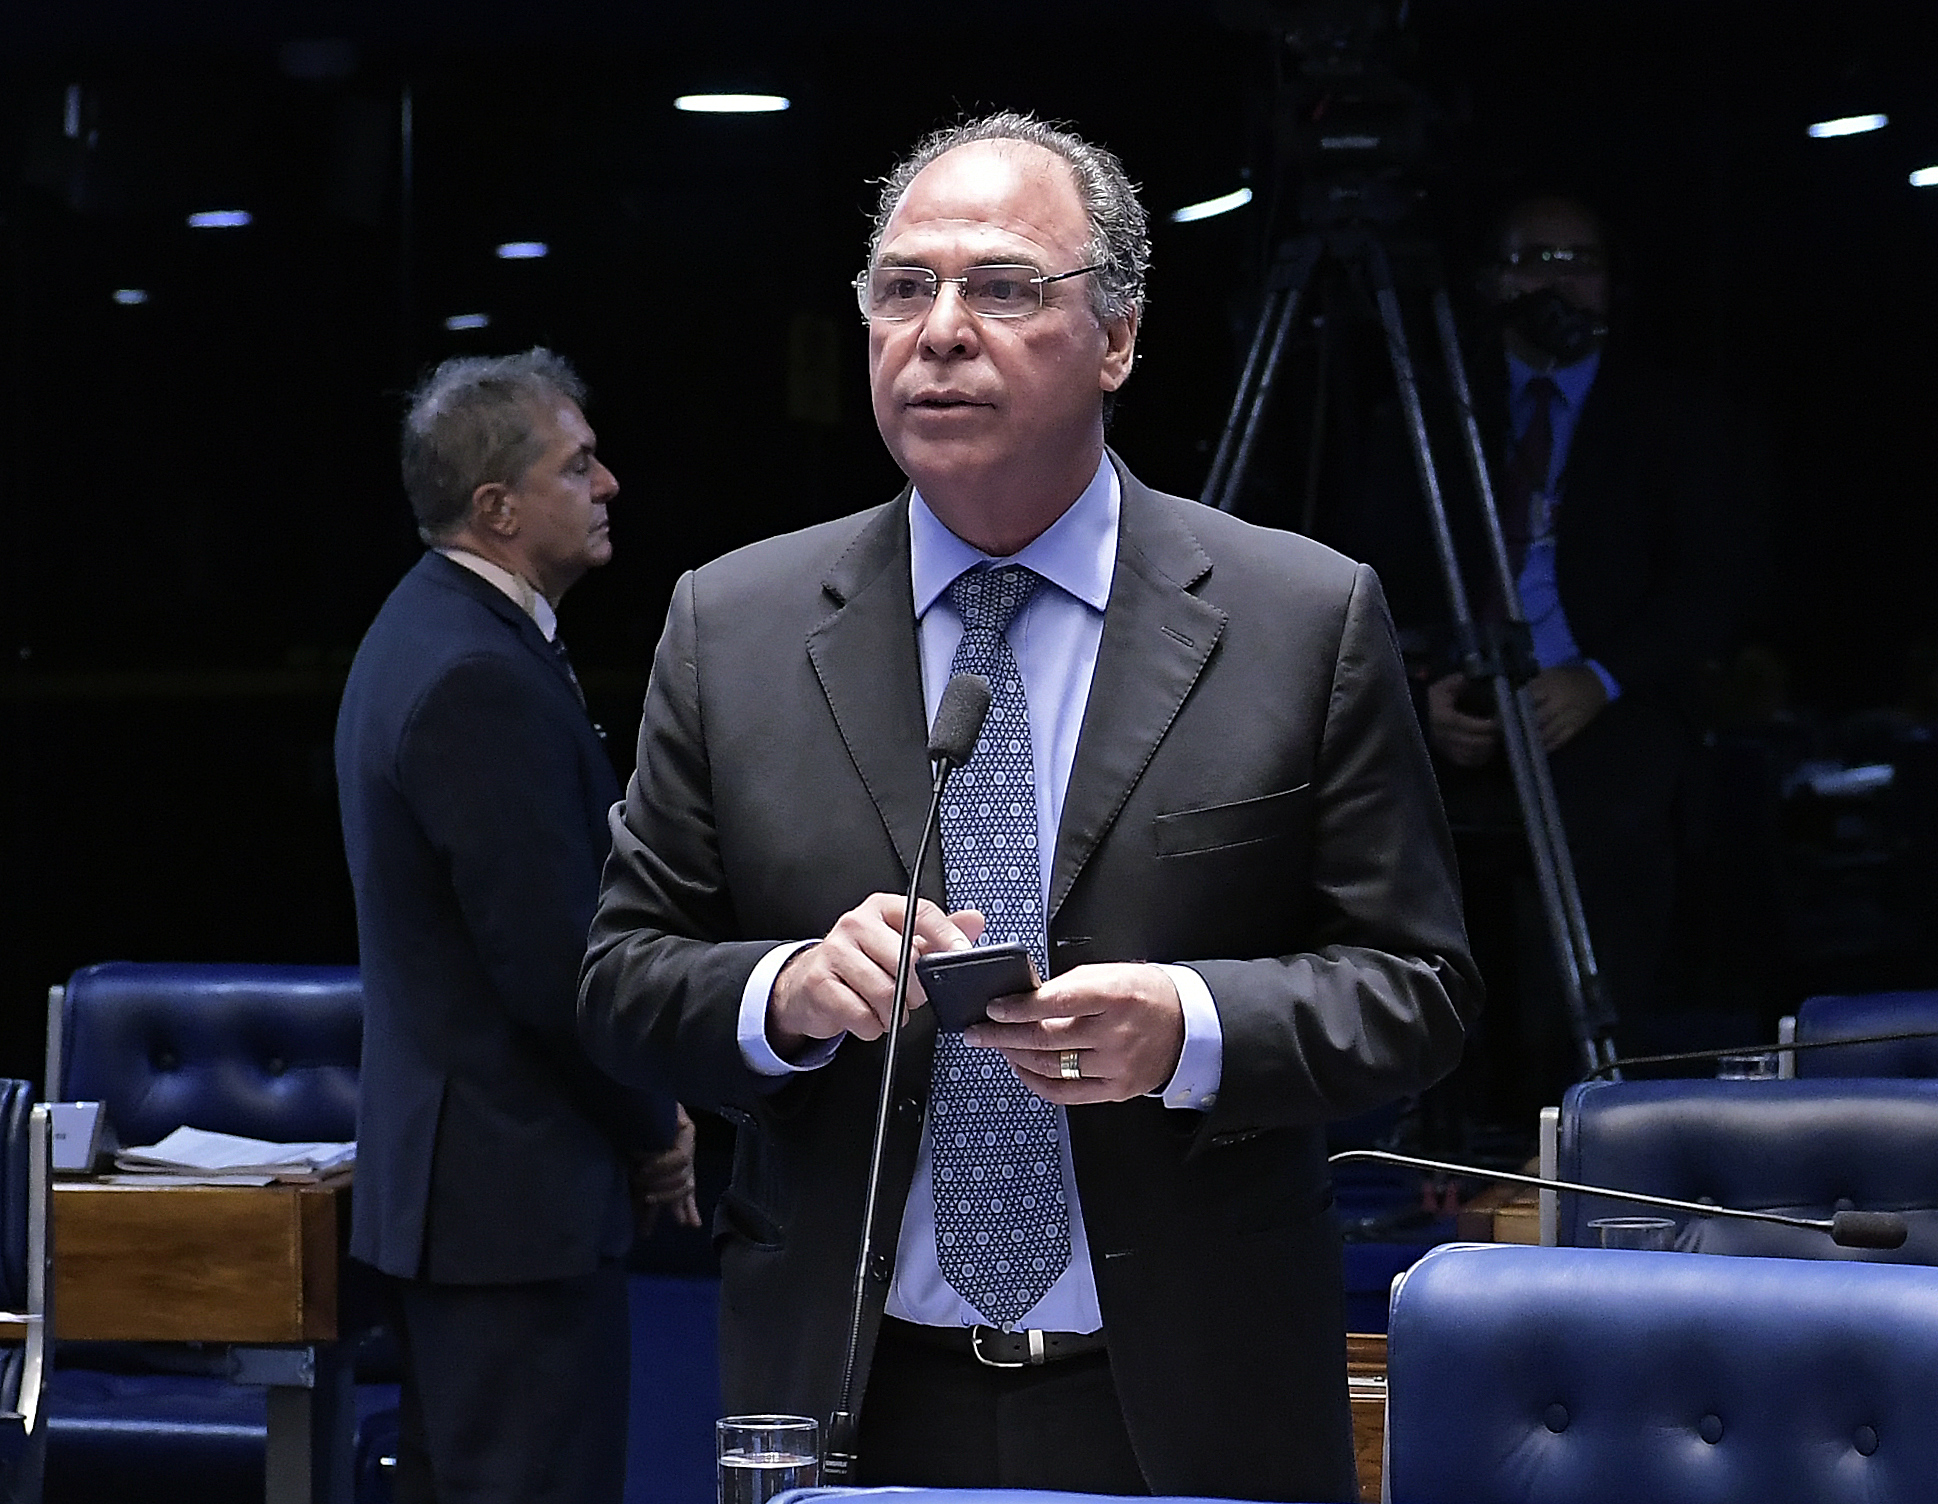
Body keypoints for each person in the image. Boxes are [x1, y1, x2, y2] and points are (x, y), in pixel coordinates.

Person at [577, 113, 1475, 1501]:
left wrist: (1191, 1027)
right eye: (900, 287)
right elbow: (624, 979)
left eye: (1000, 288)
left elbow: (1415, 990)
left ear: (1114, 340)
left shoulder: (1296, 618)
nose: (937, 330)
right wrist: (790, 992)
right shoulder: (734, 626)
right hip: (853, 1393)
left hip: (1185, 1399)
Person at [336, 349, 696, 1504]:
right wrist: (653, 1124)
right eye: (576, 464)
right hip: (510, 1206)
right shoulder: (472, 674)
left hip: (474, 1202)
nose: (608, 486)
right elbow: (552, 965)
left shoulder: (428, 629)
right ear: (497, 507)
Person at [1409, 193, 1759, 1098]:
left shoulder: (1672, 414)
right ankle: (1447, 1122)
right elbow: (1367, 562)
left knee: (1612, 832)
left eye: (1581, 262)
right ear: (1493, 281)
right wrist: (1426, 687)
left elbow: (1711, 586)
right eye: (1537, 260)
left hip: (1606, 699)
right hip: (1464, 697)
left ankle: (1583, 1108)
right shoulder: (1433, 406)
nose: (1558, 283)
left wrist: (1599, 679)